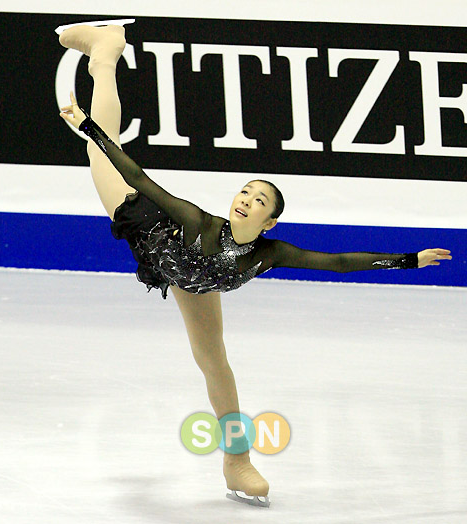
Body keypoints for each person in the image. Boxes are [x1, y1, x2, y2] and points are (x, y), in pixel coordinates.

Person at [57, 21, 452, 508]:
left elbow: (341, 262)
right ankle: (105, 52)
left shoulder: (271, 253)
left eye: (259, 199)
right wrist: (89, 130)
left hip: (194, 280)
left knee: (215, 363)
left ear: (270, 222)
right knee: (106, 144)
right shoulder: (200, 223)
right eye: (245, 190)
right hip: (142, 219)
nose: (246, 199)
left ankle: (236, 460)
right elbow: (139, 176)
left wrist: (408, 261)